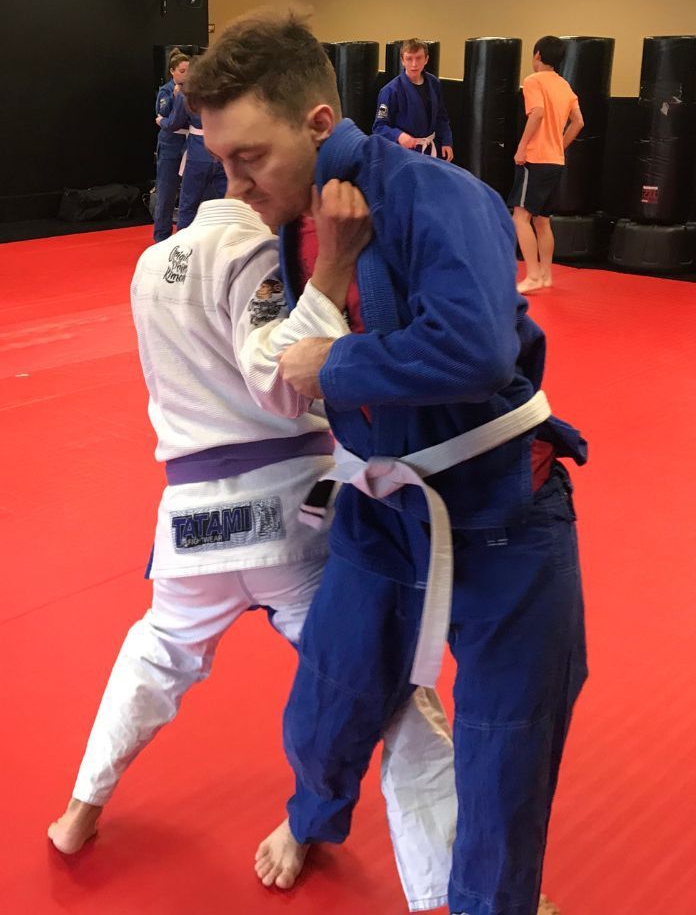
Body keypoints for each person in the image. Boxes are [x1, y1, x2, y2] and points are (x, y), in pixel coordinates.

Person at [190, 12, 587, 915]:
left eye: (250, 157)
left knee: (505, 743)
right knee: (330, 692)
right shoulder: (298, 221)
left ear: (319, 126)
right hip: (382, 505)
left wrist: (333, 364)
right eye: (223, 163)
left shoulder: (433, 196)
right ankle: (313, 815)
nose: (236, 184)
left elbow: (478, 348)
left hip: (502, 512)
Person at [48, 193, 458, 912]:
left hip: (189, 518)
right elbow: (279, 387)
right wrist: (330, 276)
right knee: (387, 685)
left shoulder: (148, 265)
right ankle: (446, 890)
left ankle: (81, 807)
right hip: (285, 514)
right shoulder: (259, 256)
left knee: (157, 650)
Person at [509, 36, 584, 294]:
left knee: (520, 217)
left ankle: (531, 276)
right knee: (541, 220)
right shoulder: (565, 85)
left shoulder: (533, 81)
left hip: (536, 159)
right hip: (554, 161)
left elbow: (538, 112)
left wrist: (522, 147)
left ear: (537, 55)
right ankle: (545, 274)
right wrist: (559, 145)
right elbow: (578, 122)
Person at [373, 39, 454, 161]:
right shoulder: (390, 91)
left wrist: (446, 141)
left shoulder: (433, 83)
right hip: (404, 154)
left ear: (426, 59)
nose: (414, 64)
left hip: (431, 149)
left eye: (419, 58)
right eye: (409, 59)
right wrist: (399, 135)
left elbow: (441, 117)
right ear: (402, 61)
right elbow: (379, 127)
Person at [164, 85, 227, 230]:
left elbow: (174, 123)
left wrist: (162, 121)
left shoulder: (186, 94)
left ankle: (183, 246)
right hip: (222, 152)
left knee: (188, 205)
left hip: (197, 154)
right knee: (231, 203)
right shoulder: (225, 91)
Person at [152, 51, 190, 242]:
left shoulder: (193, 90)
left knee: (190, 194)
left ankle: (186, 236)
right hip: (170, 142)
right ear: (172, 72)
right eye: (182, 71)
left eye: (189, 70)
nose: (186, 74)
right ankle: (161, 237)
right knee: (166, 192)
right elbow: (162, 115)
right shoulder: (166, 90)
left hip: (190, 142)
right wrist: (176, 98)